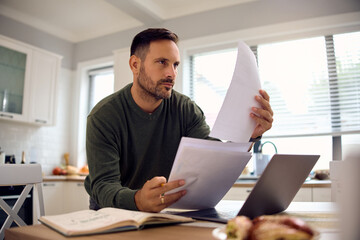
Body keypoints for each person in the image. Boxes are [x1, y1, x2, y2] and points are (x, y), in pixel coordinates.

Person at [84, 28, 273, 213]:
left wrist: (249, 134)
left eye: (175, 65)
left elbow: (212, 158)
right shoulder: (104, 116)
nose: (171, 73)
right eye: (162, 62)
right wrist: (137, 200)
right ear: (135, 65)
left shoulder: (186, 109)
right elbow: (103, 186)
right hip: (113, 210)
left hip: (163, 209)